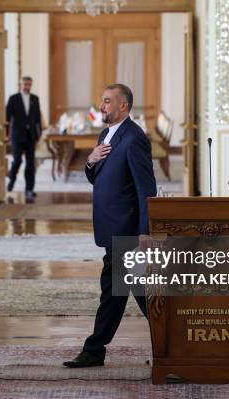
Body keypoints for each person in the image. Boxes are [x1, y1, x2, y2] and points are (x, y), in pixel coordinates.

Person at [63, 84, 157, 368]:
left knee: (127, 292)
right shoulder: (106, 134)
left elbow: (146, 189)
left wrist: (144, 230)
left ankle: (95, 349)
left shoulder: (134, 138)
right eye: (102, 101)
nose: (101, 106)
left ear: (123, 106)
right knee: (128, 293)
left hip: (126, 232)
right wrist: (90, 162)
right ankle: (175, 341)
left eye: (106, 102)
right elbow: (99, 176)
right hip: (112, 228)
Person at [6, 76, 42, 200]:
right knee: (17, 161)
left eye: (29, 84)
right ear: (20, 85)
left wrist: (38, 135)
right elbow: (7, 118)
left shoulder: (35, 99)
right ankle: (11, 180)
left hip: (30, 136)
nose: (27, 87)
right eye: (25, 84)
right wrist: (7, 136)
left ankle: (29, 189)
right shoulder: (13, 99)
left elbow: (38, 118)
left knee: (30, 164)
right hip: (17, 136)